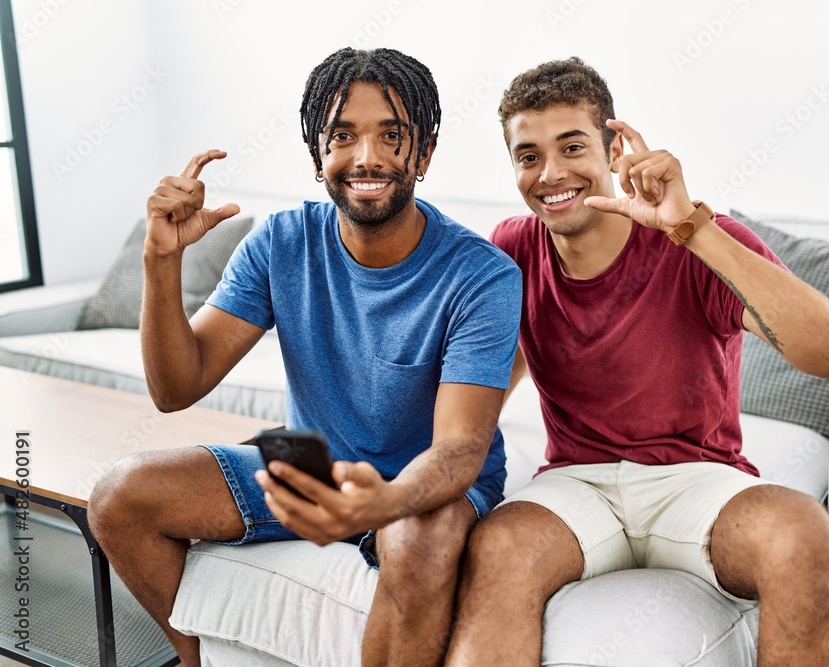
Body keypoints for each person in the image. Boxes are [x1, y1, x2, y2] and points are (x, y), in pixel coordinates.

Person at [88, 47, 521, 667]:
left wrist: (381, 504)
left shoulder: (482, 277)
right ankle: (198, 661)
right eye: (343, 136)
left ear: (423, 154)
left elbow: (458, 452)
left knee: (417, 541)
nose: (366, 157)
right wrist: (162, 261)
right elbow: (175, 388)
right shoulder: (281, 242)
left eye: (391, 136)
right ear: (319, 157)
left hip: (432, 485)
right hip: (315, 467)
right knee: (120, 496)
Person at [445, 58, 829, 667]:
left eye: (572, 146)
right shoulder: (513, 247)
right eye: (528, 156)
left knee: (801, 534)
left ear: (613, 149)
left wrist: (694, 229)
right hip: (577, 483)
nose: (551, 173)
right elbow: (483, 380)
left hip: (697, 476)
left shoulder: (695, 237)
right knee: (500, 548)